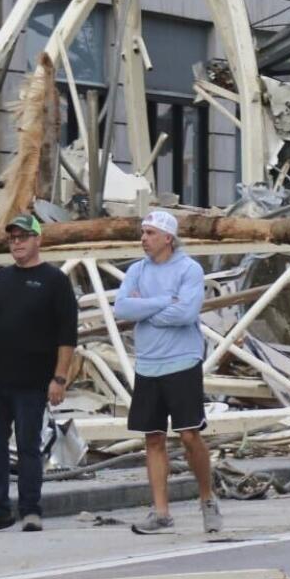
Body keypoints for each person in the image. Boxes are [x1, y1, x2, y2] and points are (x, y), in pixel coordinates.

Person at [0, 213, 78, 532]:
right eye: (12, 238)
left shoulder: (55, 281)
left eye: (23, 237)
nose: (17, 243)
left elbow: (67, 335)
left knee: (28, 448)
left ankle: (31, 509)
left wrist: (59, 378)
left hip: (32, 383)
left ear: (38, 239)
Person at [113, 209, 223, 535]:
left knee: (189, 434)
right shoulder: (136, 270)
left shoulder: (189, 269)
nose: (143, 239)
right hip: (148, 362)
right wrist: (163, 301)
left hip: (182, 360)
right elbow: (122, 308)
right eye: (142, 232)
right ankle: (161, 512)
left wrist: (145, 309)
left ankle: (207, 498)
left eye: (149, 233)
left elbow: (186, 313)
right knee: (153, 437)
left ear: (167, 238)